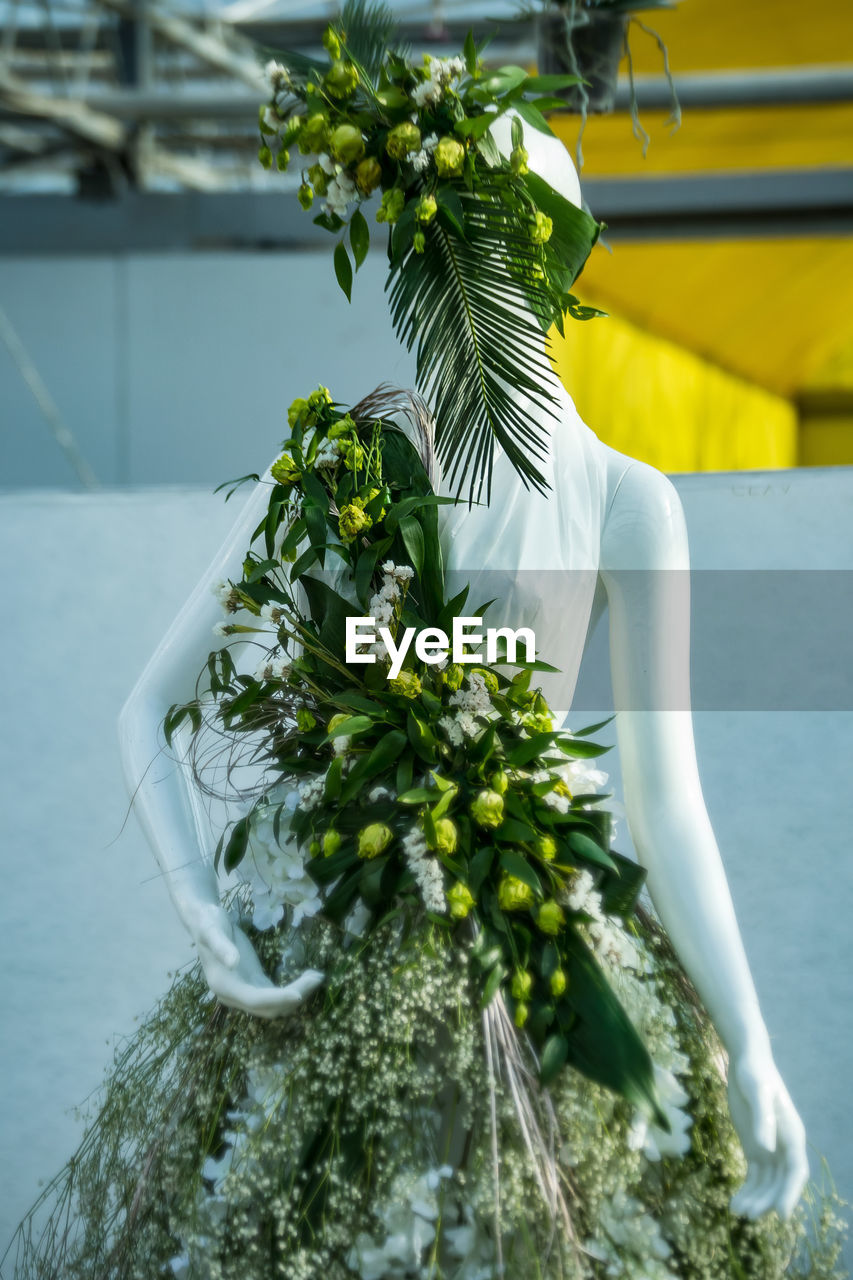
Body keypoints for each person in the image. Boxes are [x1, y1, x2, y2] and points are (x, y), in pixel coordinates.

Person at [4, 15, 846, 1280]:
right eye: (453, 233)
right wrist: (205, 909)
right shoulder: (355, 467)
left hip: (538, 926)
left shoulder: (628, 502)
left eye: (508, 235)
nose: (477, 266)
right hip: (334, 931)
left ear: (554, 267)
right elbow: (149, 704)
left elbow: (670, 802)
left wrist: (751, 1034)